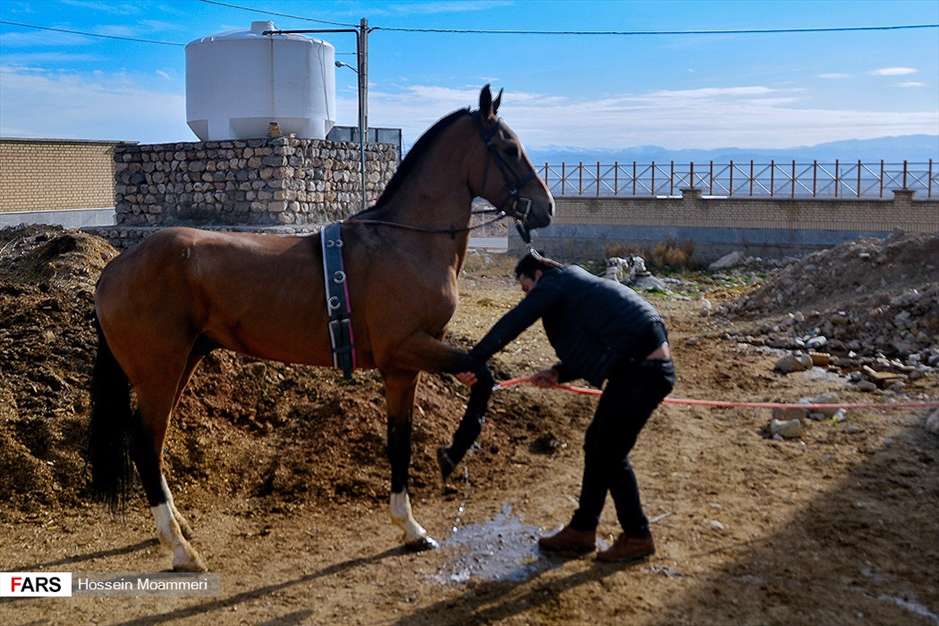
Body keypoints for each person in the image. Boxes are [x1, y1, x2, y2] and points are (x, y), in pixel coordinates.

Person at [440, 251, 675, 563]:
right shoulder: (575, 284)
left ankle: (637, 535)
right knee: (598, 446)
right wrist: (558, 372)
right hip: (638, 370)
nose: (528, 296)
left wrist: (473, 359)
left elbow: (516, 320)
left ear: (537, 275)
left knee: (610, 454)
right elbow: (598, 338)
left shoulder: (555, 280)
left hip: (640, 373)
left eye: (526, 289)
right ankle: (583, 529)